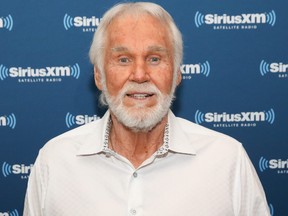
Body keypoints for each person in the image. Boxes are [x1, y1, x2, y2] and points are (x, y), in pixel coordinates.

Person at [23, 2, 270, 216]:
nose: (140, 74)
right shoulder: (55, 162)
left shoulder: (227, 160)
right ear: (99, 76)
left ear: (176, 74)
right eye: (123, 59)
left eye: (154, 58)